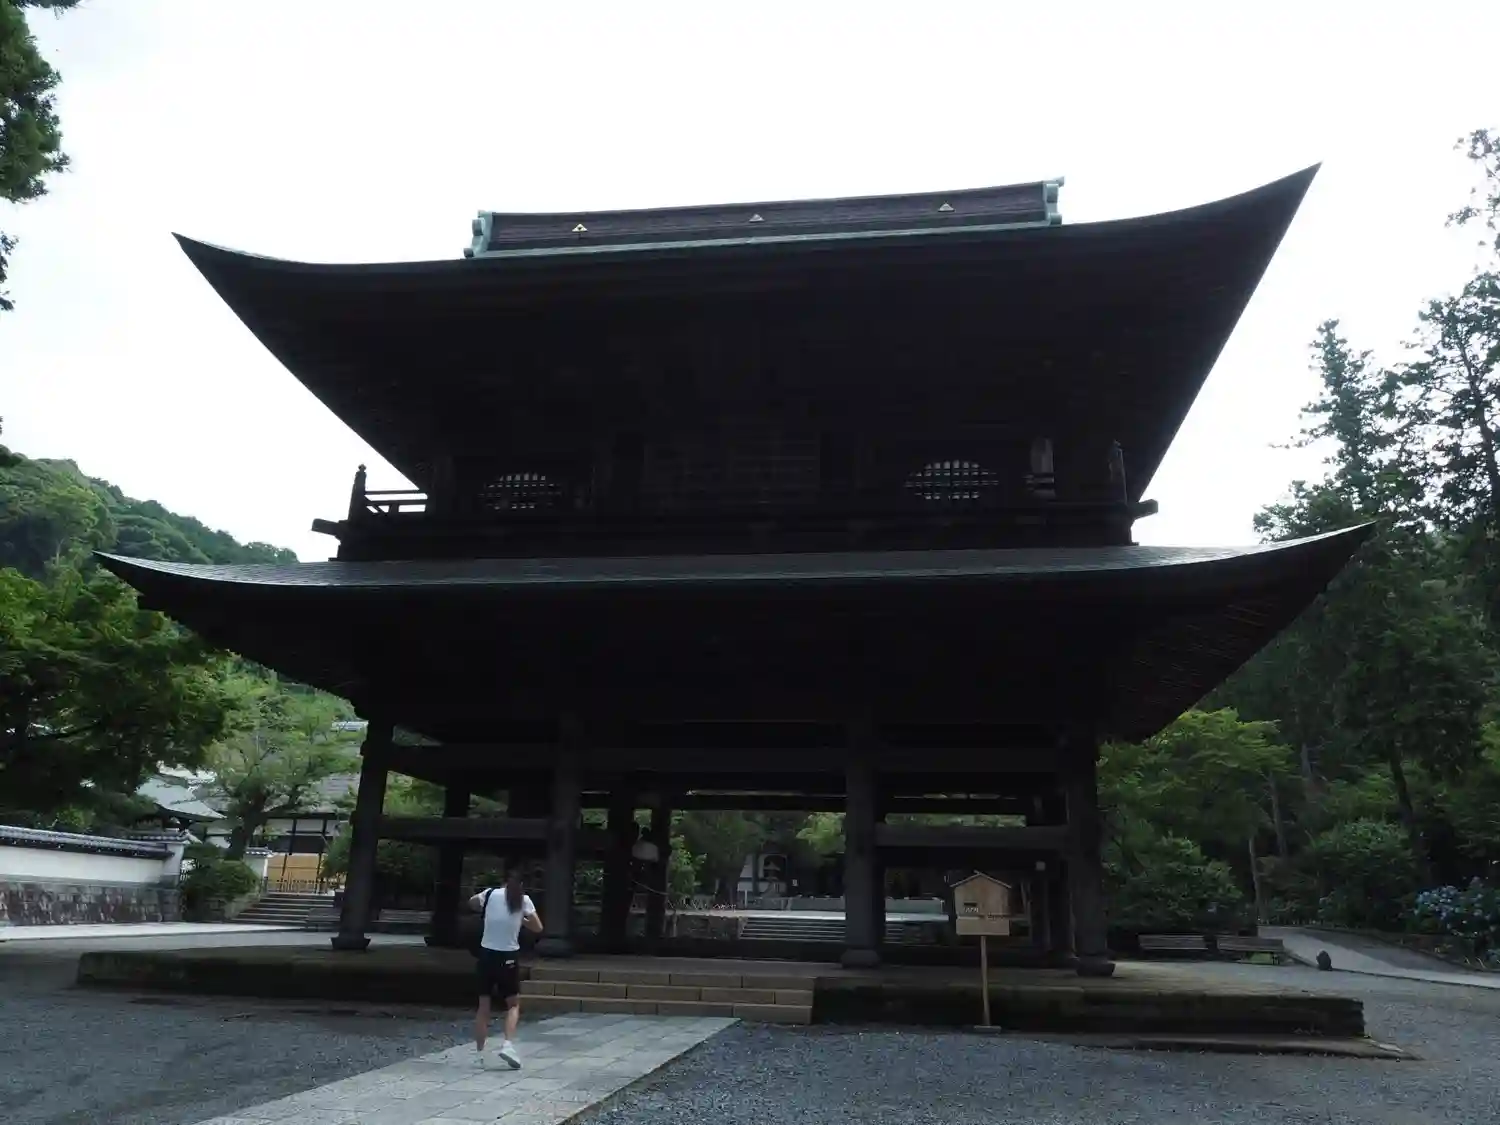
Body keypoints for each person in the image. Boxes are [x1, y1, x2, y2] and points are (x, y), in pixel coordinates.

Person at [470, 869, 542, 1069]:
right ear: (522, 885)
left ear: (503, 881)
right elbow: (538, 927)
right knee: (512, 1004)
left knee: (483, 1006)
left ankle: (479, 1054)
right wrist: (521, 920)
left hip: (486, 955)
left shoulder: (489, 894)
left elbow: (472, 902)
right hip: (508, 957)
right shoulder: (523, 900)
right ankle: (507, 1045)